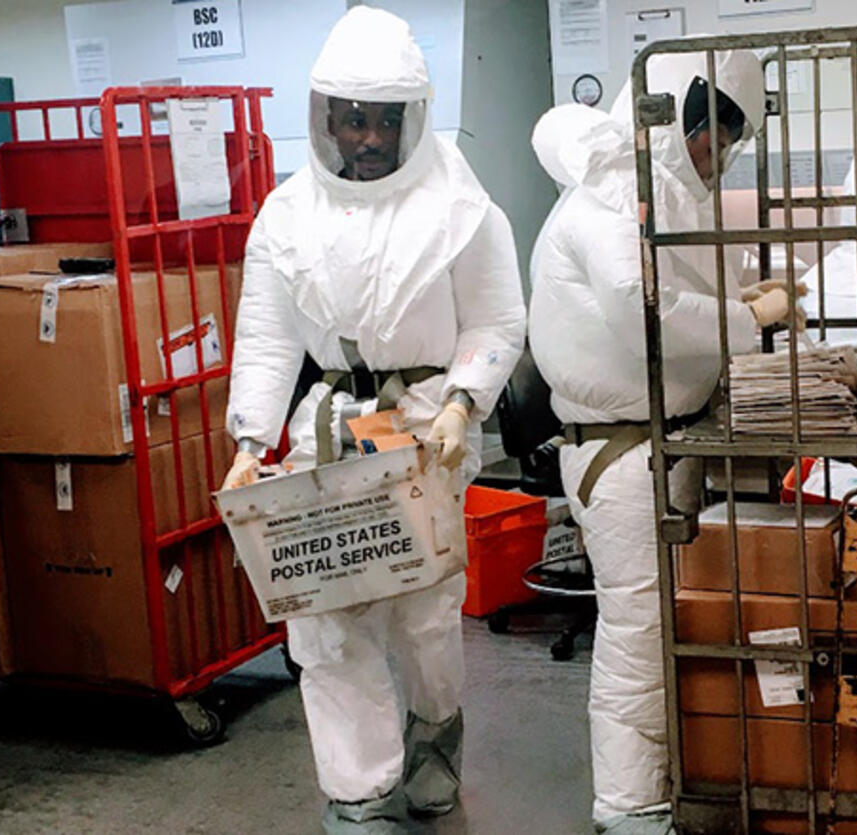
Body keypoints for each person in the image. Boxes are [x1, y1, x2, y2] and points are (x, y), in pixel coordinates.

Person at [219, 7, 525, 833]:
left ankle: (434, 744)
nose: (369, 139)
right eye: (353, 119)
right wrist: (251, 440)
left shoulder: (461, 205)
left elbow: (497, 320)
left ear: (412, 119)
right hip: (327, 429)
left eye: (386, 121)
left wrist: (462, 402)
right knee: (325, 614)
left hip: (425, 428)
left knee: (424, 614)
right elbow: (267, 335)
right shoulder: (288, 214)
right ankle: (357, 793)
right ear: (325, 118)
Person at [528, 46, 796, 833]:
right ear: (681, 116)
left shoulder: (659, 194)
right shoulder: (612, 196)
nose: (719, 153)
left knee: (659, 631)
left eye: (731, 140)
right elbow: (644, 311)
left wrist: (742, 298)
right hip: (621, 457)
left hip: (659, 447)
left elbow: (679, 288)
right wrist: (749, 320)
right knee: (638, 637)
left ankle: (663, 786)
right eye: (716, 134)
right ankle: (629, 809)